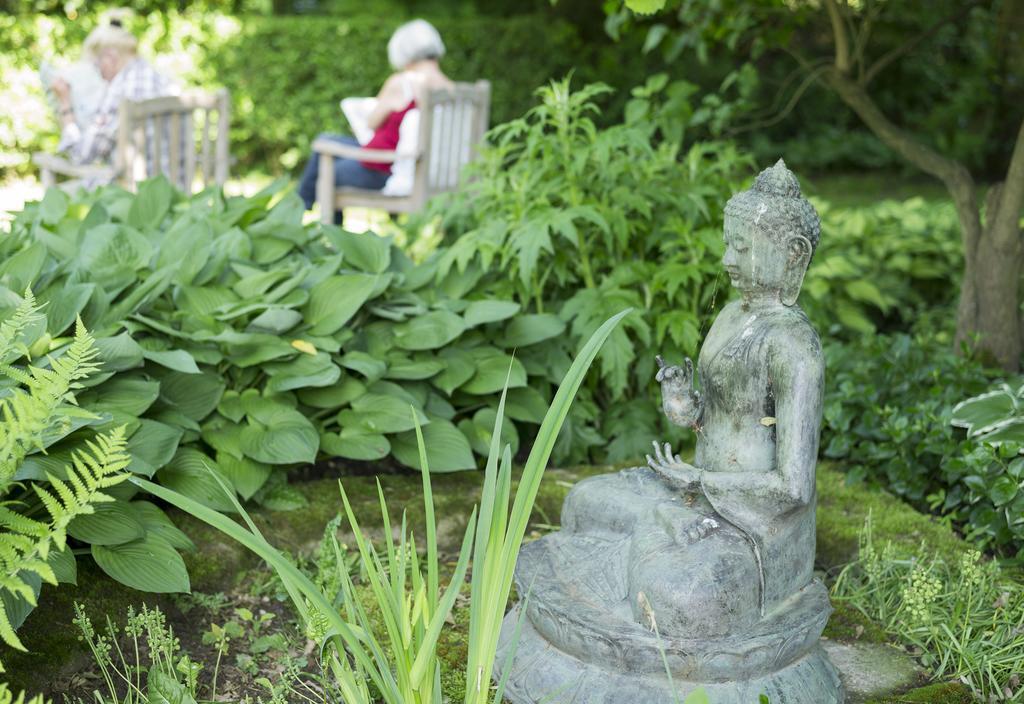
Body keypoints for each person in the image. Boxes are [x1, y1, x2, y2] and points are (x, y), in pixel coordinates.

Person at [297, 19, 454, 221]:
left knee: (325, 172)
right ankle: (299, 208)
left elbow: (371, 123)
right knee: (325, 140)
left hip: (386, 168)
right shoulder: (452, 90)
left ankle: (302, 219)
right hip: (420, 169)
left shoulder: (403, 82)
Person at [51, 15, 176, 170]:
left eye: (97, 66)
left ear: (110, 57)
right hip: (173, 187)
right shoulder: (163, 80)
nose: (100, 74)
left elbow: (82, 155)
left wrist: (65, 104)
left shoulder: (120, 90)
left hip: (133, 190)